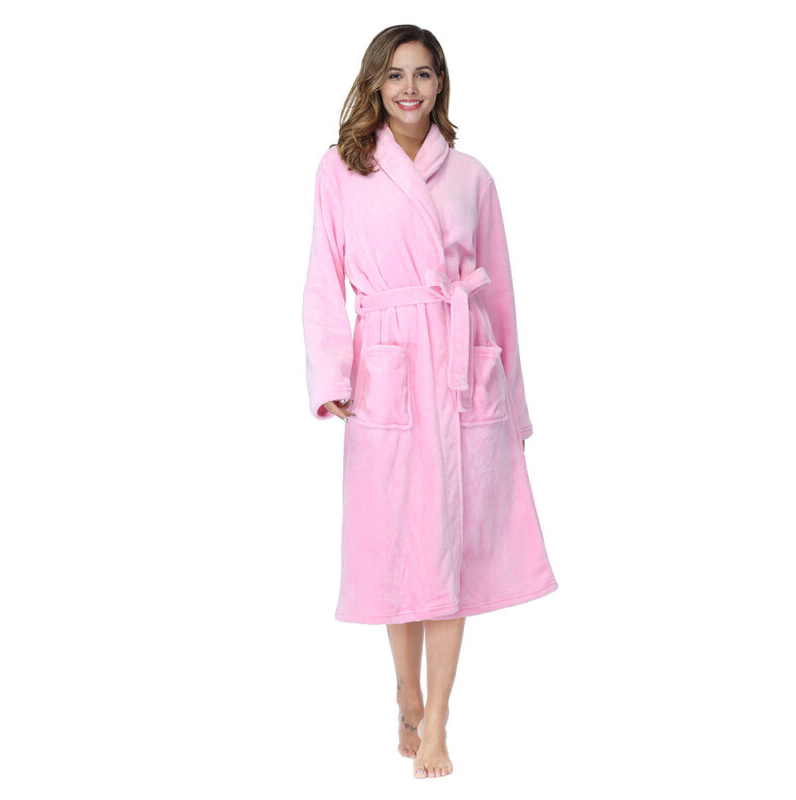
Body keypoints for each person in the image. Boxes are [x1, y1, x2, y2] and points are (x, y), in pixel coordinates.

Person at [302, 25, 559, 779]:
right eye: (394, 75)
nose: (408, 89)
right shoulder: (342, 168)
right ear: (375, 84)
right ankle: (405, 690)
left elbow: (501, 295)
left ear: (440, 82)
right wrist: (332, 376)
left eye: (422, 74)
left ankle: (439, 715)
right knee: (399, 541)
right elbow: (322, 278)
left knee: (452, 547)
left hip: (461, 370)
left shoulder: (472, 176)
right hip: (386, 370)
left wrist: (511, 399)